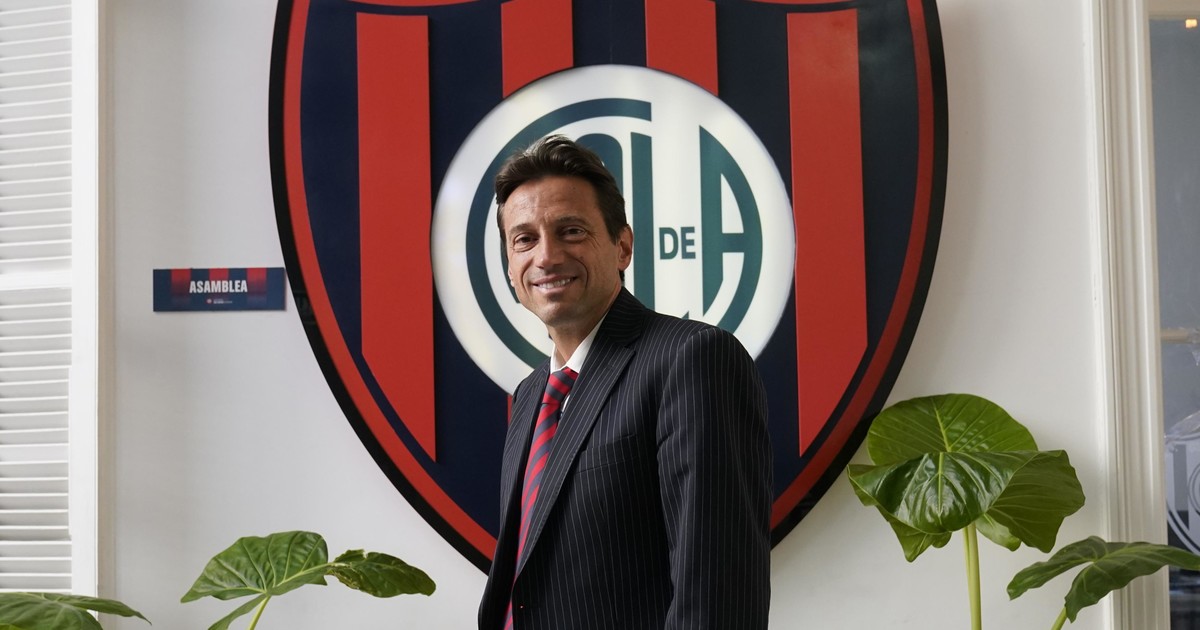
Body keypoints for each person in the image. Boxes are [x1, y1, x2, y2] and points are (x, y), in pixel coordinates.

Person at [477, 135, 772, 630]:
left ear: (623, 247)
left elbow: (717, 596)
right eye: (524, 239)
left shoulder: (692, 359)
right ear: (510, 267)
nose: (546, 256)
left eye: (571, 231)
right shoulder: (531, 395)